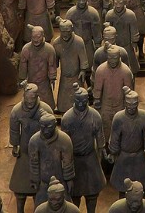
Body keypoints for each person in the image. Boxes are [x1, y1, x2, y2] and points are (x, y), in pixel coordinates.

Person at [61, 84, 106, 213]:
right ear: (73, 100)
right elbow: (65, 141)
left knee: (92, 193)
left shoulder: (95, 115)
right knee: (74, 194)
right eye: (78, 101)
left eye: (84, 101)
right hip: (74, 160)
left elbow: (100, 134)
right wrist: (64, 160)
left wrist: (102, 149)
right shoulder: (67, 118)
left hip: (90, 158)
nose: (81, 104)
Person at [10, 84, 54, 213]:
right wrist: (15, 145)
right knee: (20, 187)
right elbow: (14, 130)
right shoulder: (17, 110)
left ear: (37, 97)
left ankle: (38, 208)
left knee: (40, 189)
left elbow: (52, 131)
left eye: (32, 100)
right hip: (25, 152)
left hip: (41, 153)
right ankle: (20, 210)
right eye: (27, 99)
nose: (30, 103)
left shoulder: (46, 110)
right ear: (23, 96)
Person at [29, 112, 75, 205]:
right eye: (43, 127)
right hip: (43, 183)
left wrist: (69, 179)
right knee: (40, 207)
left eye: (49, 127)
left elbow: (68, 162)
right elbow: (34, 162)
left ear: (55, 125)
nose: (46, 130)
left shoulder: (64, 139)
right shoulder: (34, 140)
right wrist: (34, 179)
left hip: (61, 183)